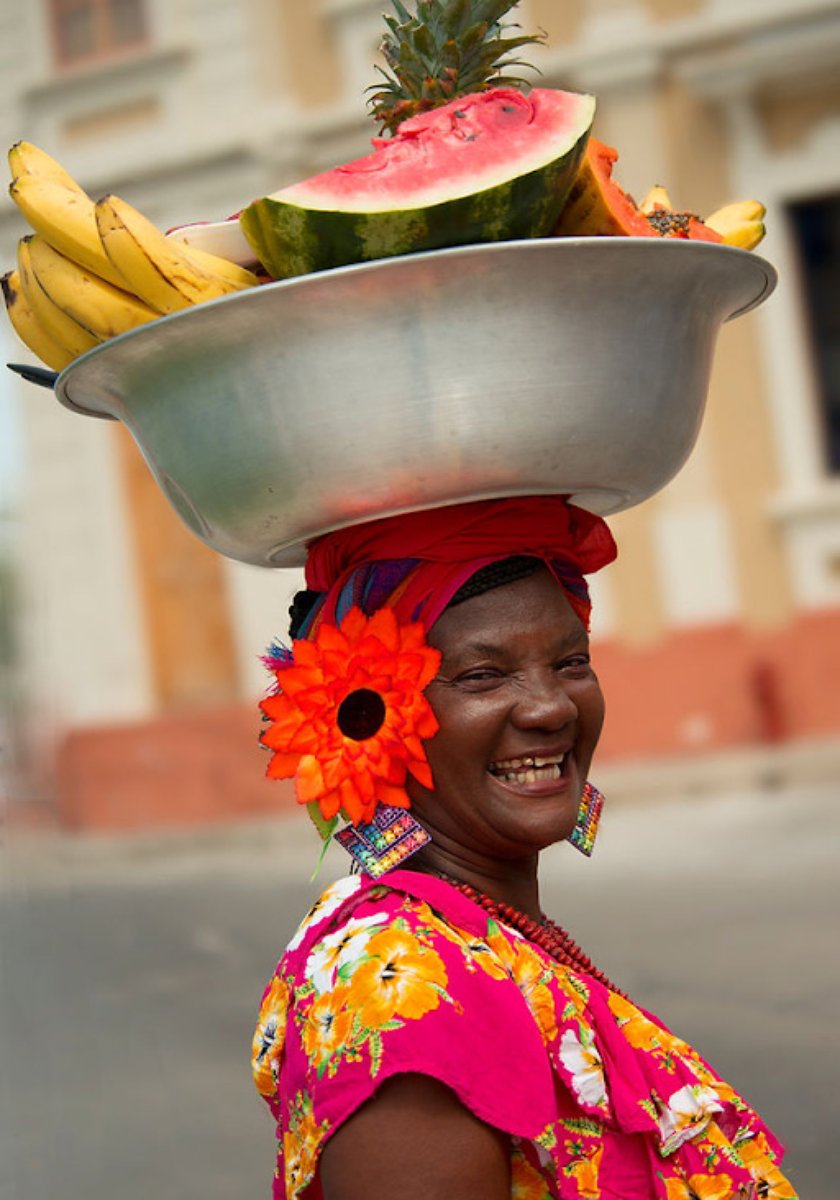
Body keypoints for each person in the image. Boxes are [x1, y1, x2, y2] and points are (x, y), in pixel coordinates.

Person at [251, 497, 797, 1200]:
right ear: (368, 717)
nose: (552, 708)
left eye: (571, 661)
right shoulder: (400, 992)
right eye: (484, 675)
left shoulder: (475, 936)